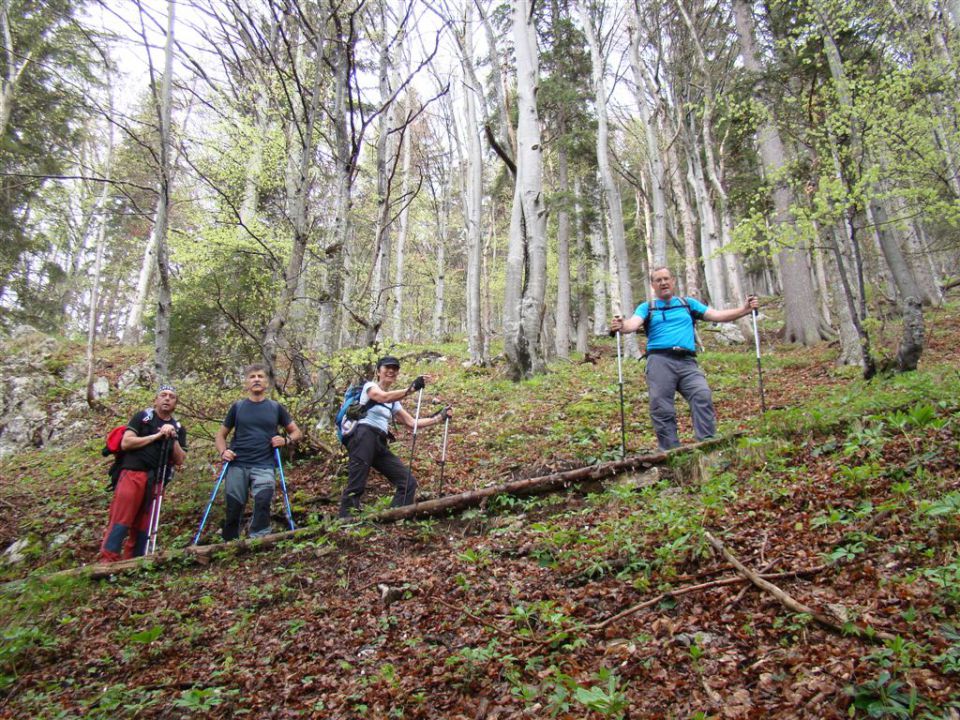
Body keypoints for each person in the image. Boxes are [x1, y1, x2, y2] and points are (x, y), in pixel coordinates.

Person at [610, 266, 759, 451]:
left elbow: (717, 315)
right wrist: (621, 325)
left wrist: (744, 310)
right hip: (659, 361)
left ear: (673, 281)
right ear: (653, 285)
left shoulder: (688, 304)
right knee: (661, 407)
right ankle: (670, 451)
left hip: (687, 361)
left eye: (666, 279)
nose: (663, 282)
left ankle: (707, 445)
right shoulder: (647, 307)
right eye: (658, 280)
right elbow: (632, 324)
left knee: (702, 395)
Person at [339, 355, 452, 519]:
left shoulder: (394, 401)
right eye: (387, 368)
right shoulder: (370, 387)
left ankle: (394, 518)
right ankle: (345, 523)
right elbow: (382, 397)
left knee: (407, 482)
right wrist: (411, 389)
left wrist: (439, 418)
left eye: (395, 368)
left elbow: (411, 422)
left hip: (379, 441)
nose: (391, 371)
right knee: (357, 482)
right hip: (363, 436)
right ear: (378, 371)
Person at [215, 363, 303, 540]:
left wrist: (285, 440)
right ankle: (228, 543)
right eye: (252, 377)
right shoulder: (238, 407)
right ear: (246, 382)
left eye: (260, 376)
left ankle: (259, 538)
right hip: (237, 463)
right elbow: (220, 435)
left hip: (264, 463)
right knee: (234, 506)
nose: (256, 379)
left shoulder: (275, 408)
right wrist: (223, 452)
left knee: (263, 500)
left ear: (267, 382)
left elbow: (297, 432)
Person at [99, 385, 187, 562]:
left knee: (145, 524)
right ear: (156, 399)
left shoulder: (178, 427)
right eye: (163, 395)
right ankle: (108, 560)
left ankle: (135, 561)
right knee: (121, 518)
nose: (167, 399)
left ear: (176, 403)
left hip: (157, 479)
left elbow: (180, 459)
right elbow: (126, 443)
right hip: (132, 474)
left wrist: (173, 437)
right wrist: (156, 436)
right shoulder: (143, 418)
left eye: (171, 397)